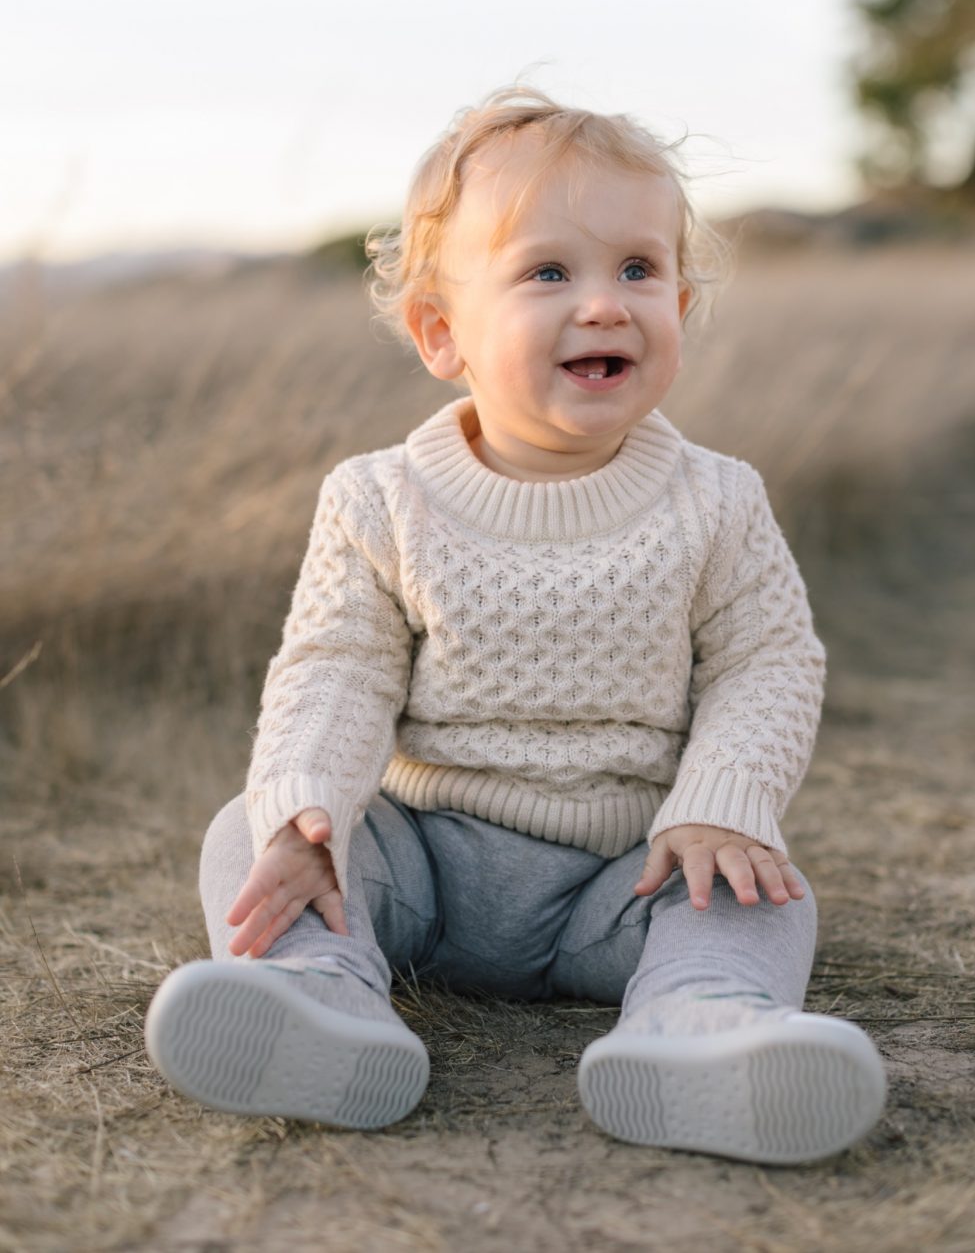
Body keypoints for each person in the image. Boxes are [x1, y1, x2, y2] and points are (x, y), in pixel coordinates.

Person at [143, 85, 886, 1163]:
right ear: (442, 331)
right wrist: (306, 809)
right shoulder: (378, 498)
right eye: (549, 271)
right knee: (246, 831)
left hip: (619, 874)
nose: (604, 303)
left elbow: (764, 658)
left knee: (760, 886)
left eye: (639, 268)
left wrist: (724, 803)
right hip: (421, 865)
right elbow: (334, 668)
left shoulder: (716, 499)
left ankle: (701, 1023)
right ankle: (321, 1000)